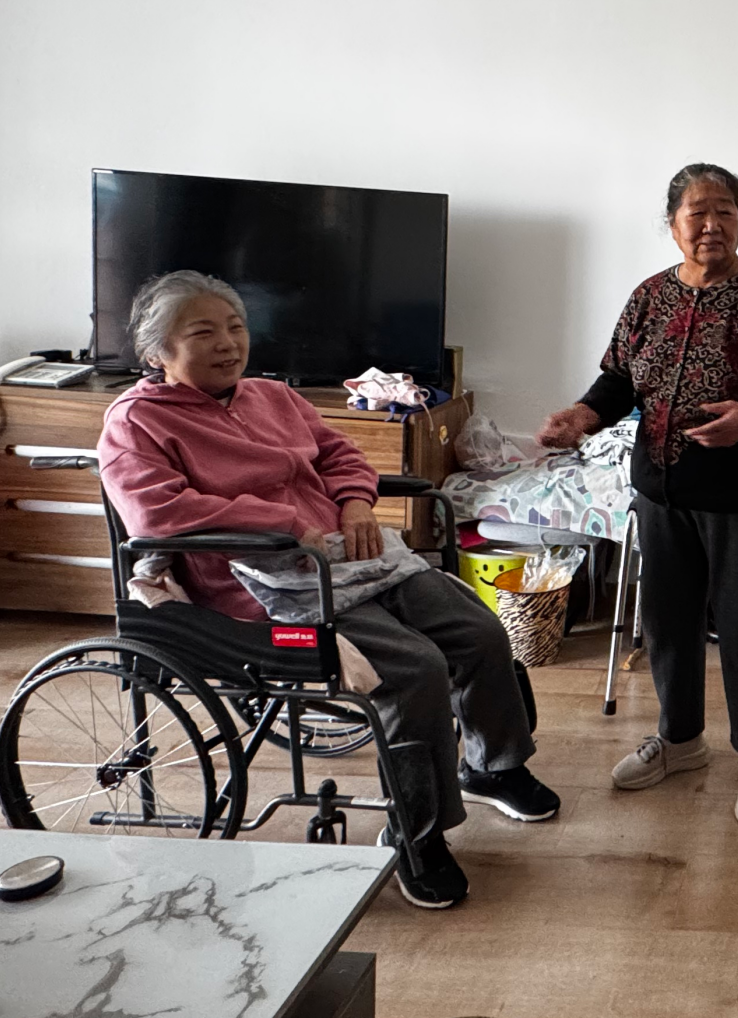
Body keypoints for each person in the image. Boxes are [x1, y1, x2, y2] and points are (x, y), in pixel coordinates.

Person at [98, 270, 556, 912]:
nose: (228, 343)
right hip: (258, 587)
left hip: (350, 558)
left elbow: (341, 456)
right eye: (203, 333)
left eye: (235, 327)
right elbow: (155, 514)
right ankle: (416, 833)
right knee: (414, 668)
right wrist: (281, 523)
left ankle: (493, 766)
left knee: (478, 630)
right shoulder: (136, 422)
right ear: (157, 352)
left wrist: (356, 504)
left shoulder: (272, 396)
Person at [537, 163, 738, 827]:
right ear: (672, 224)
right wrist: (582, 416)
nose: (712, 224)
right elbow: (618, 380)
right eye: (698, 212)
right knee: (666, 622)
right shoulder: (648, 297)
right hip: (662, 492)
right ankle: (680, 740)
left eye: (726, 211)